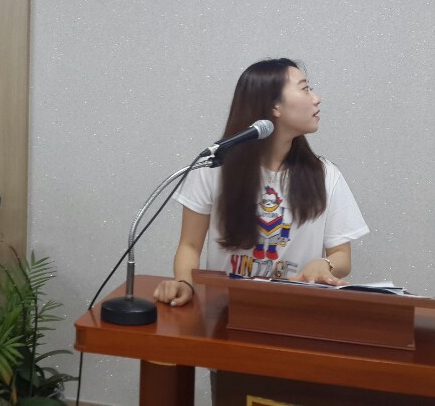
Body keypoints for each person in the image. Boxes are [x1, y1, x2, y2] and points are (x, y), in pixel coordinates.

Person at [154, 58, 368, 307]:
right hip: (224, 311)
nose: (316, 98)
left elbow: (341, 255)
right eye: (305, 89)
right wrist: (183, 282)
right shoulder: (213, 168)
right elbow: (190, 245)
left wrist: (325, 264)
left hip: (296, 311)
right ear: (274, 106)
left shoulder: (326, 175)